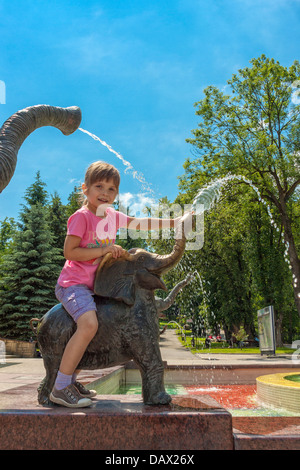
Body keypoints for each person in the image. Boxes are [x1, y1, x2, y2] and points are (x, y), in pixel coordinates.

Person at [50, 161, 185, 408]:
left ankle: (72, 379)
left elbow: (140, 223)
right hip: (74, 285)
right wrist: (104, 250)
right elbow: (69, 252)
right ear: (85, 188)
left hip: (97, 287)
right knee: (89, 324)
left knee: (96, 327)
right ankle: (60, 387)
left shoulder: (112, 216)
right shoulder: (81, 217)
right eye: (99, 186)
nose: (105, 192)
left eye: (111, 189)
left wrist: (174, 222)